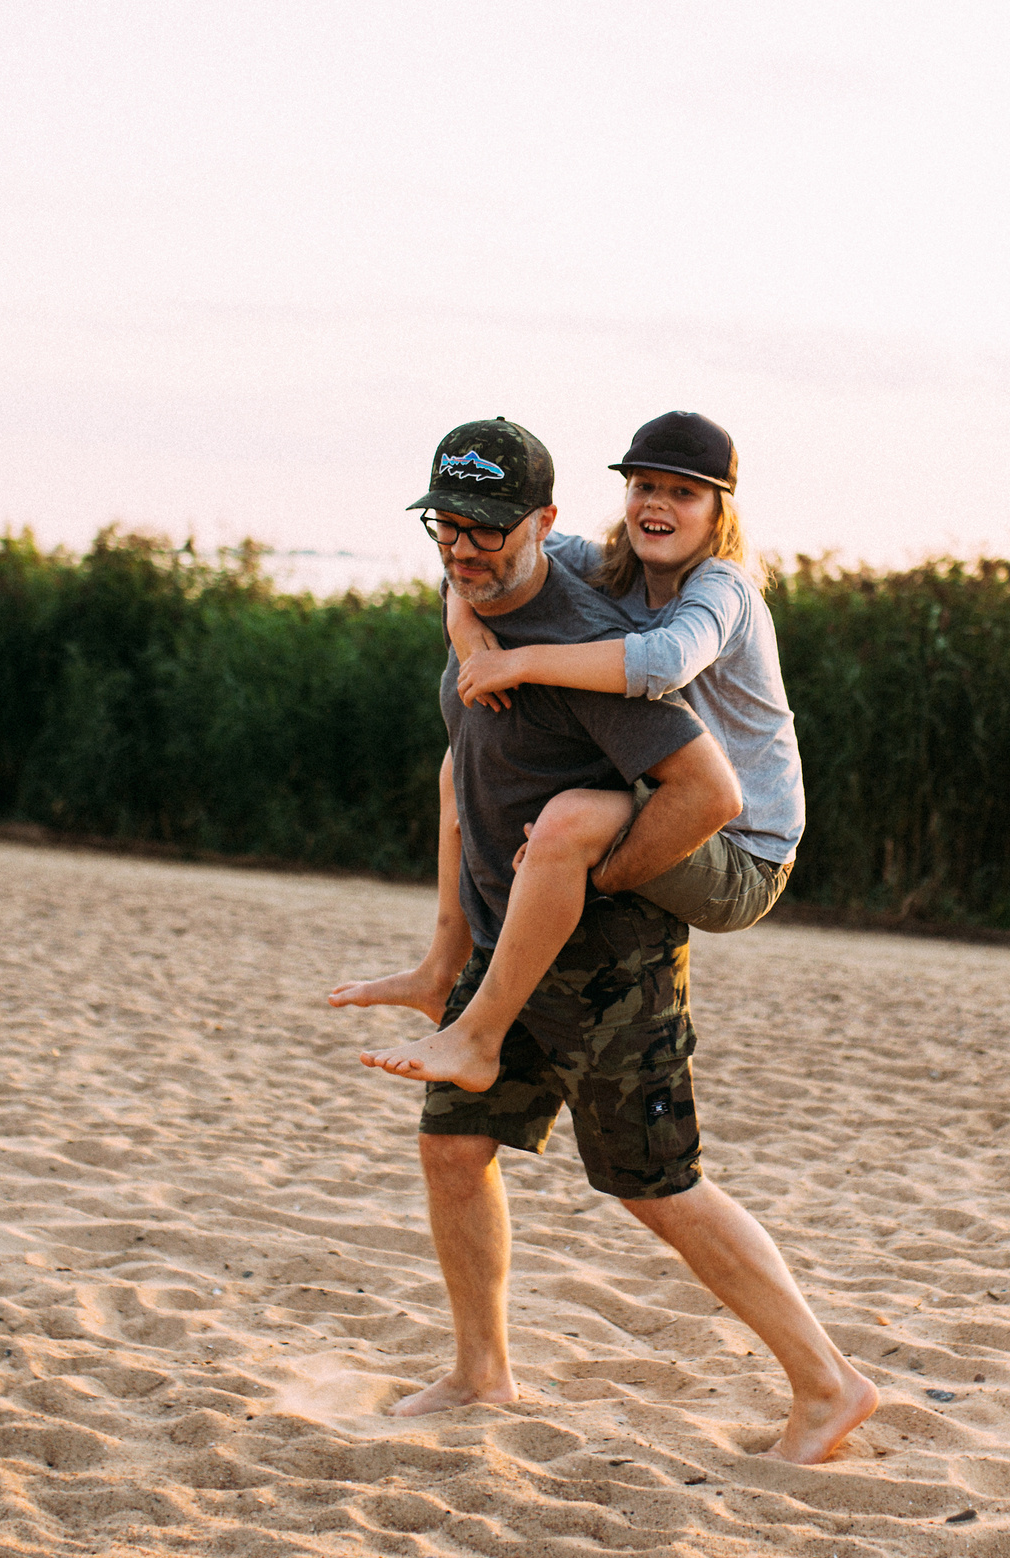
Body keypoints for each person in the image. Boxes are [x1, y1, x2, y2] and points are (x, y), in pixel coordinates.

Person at [336, 417, 875, 1465]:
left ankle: (827, 1380)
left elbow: (710, 789)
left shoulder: (625, 638)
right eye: (448, 526)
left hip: (619, 942)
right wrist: (442, 957)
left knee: (653, 1182)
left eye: (488, 529)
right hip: (509, 939)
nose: (464, 546)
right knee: (452, 1146)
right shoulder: (499, 603)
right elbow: (460, 780)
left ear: (538, 523)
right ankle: (479, 1370)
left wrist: (601, 870)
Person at [338, 411, 802, 1097]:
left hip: (741, 846)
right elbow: (494, 559)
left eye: (684, 493)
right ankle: (442, 966)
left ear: (717, 511)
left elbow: (665, 661)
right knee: (458, 763)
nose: (657, 505)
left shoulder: (722, 587)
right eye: (644, 486)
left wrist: (520, 662)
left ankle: (479, 1038)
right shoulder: (613, 564)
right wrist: (466, 628)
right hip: (663, 795)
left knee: (570, 820)